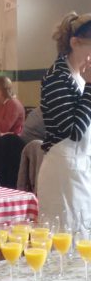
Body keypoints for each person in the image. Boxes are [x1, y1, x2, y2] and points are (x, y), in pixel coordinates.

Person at [38, 12, 91, 228]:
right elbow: (73, 131)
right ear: (75, 42)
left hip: (81, 167)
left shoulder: (81, 76)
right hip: (63, 171)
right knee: (65, 239)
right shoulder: (56, 77)